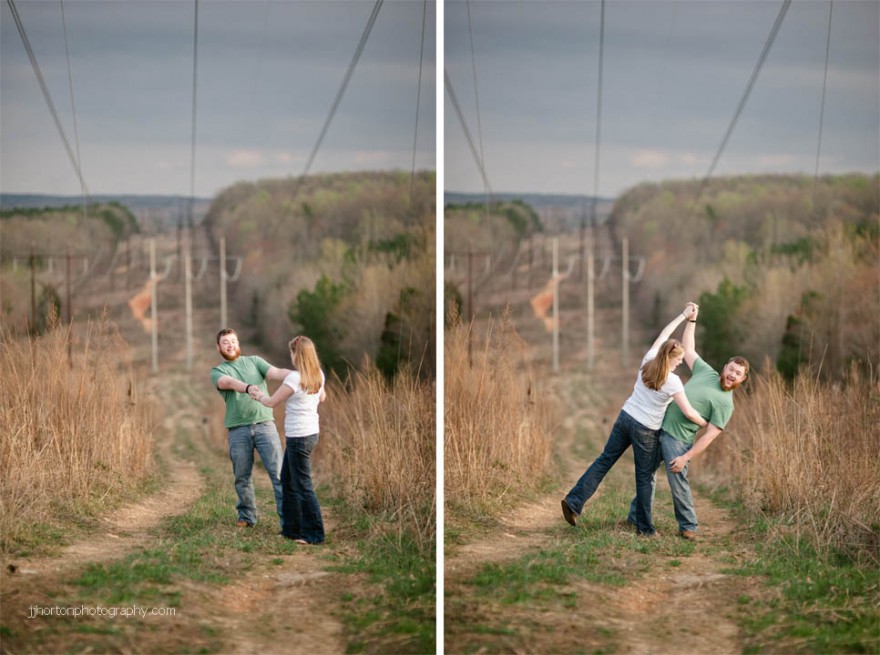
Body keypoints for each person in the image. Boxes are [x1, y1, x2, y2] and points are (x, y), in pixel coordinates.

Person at [561, 303, 708, 536]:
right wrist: (704, 423)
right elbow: (689, 412)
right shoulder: (673, 381)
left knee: (604, 460)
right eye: (679, 359)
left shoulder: (649, 359)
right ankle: (645, 529)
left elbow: (664, 334)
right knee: (644, 477)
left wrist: (683, 315)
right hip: (645, 430)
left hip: (625, 417)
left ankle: (574, 501)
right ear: (671, 358)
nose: (681, 363)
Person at [627, 304, 749, 541]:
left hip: (678, 440)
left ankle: (688, 525)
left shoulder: (726, 404)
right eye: (731, 369)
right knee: (646, 475)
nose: (732, 375)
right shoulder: (707, 372)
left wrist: (685, 457)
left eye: (738, 374)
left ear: (742, 380)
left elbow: (709, 436)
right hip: (658, 426)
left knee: (677, 482)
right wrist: (692, 320)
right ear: (725, 368)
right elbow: (689, 348)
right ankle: (636, 516)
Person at [210, 328, 289, 528]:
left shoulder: (254, 361)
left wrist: (299, 374)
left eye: (233, 341)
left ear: (238, 343)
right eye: (225, 342)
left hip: (265, 425)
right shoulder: (218, 371)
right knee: (242, 476)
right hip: (238, 430)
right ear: (218, 347)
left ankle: (288, 520)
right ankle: (246, 516)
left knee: (279, 474)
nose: (230, 345)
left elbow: (276, 372)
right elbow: (227, 383)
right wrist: (247, 387)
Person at [253, 335, 326, 545]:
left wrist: (258, 395)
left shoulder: (295, 378)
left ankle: (314, 534)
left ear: (297, 354)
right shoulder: (318, 375)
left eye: (291, 353)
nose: (291, 357)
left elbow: (271, 402)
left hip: (299, 437)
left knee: (303, 485)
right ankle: (291, 530)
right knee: (287, 480)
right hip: (310, 434)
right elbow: (322, 398)